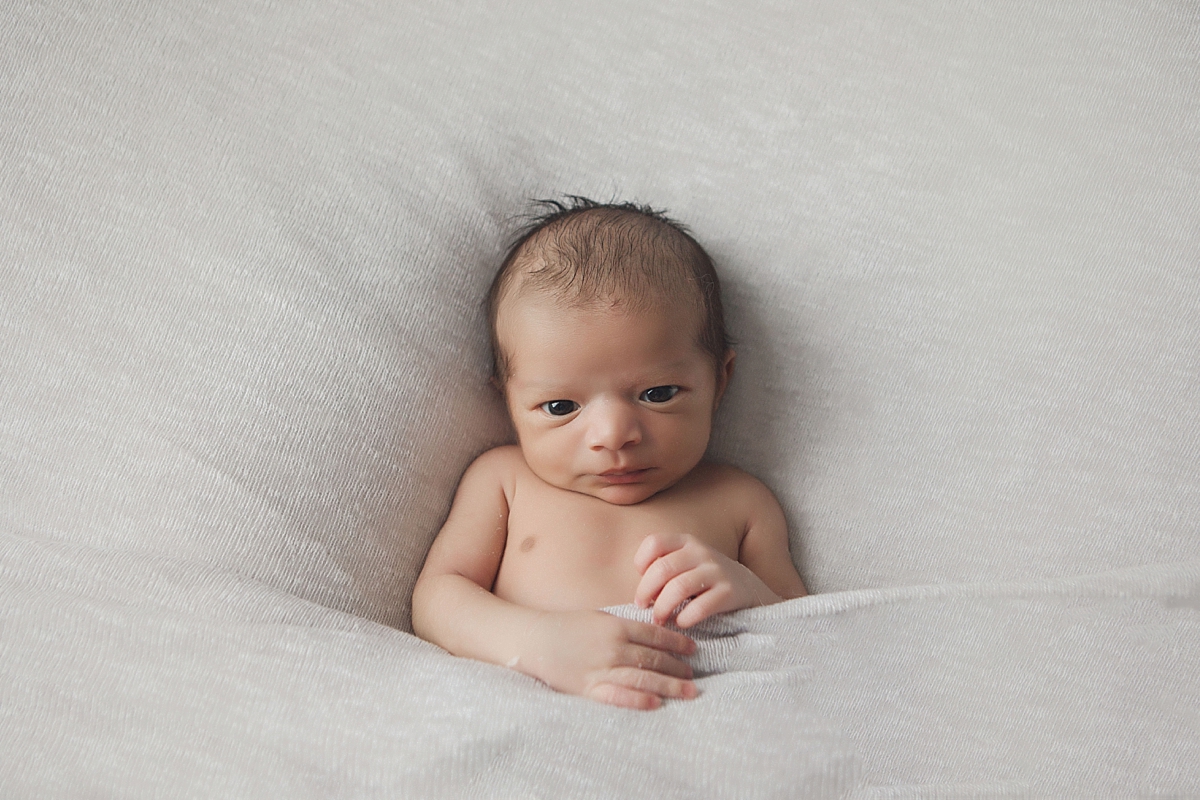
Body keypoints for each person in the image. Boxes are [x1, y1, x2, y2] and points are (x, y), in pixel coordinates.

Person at [411, 197, 807, 710]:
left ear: (719, 380)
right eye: (561, 407)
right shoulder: (504, 481)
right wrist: (536, 643)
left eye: (658, 394)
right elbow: (438, 599)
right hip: (538, 702)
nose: (614, 436)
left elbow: (812, 635)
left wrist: (749, 591)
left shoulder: (740, 501)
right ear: (507, 401)